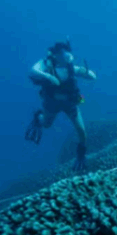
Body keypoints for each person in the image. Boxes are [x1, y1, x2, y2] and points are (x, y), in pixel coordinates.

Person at [25, 39, 96, 170]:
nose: (66, 56)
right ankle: (38, 117)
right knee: (46, 124)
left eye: (67, 53)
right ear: (56, 54)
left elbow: (92, 76)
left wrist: (87, 73)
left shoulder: (72, 68)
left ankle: (81, 155)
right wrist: (48, 77)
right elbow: (32, 71)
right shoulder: (46, 66)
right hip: (52, 103)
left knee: (81, 131)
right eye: (62, 53)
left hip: (70, 103)